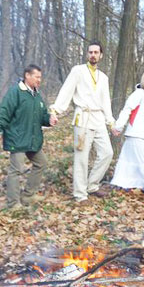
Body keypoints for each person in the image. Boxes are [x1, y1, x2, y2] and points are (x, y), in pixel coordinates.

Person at [50, 41, 115, 203]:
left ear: (101, 55)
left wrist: (110, 122)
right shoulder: (78, 71)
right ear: (87, 54)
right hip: (83, 119)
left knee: (107, 153)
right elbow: (66, 91)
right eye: (90, 52)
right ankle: (80, 194)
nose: (93, 55)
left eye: (96, 52)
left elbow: (106, 101)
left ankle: (92, 185)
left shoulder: (104, 78)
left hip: (99, 119)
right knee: (81, 157)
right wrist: (56, 110)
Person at [0, 64, 57, 209]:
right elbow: (4, 112)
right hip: (17, 138)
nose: (40, 79)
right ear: (27, 75)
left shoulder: (36, 94)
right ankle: (13, 203)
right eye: (37, 76)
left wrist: (49, 119)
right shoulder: (15, 92)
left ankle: (28, 195)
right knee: (16, 169)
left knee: (41, 163)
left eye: (40, 77)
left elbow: (42, 115)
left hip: (32, 139)